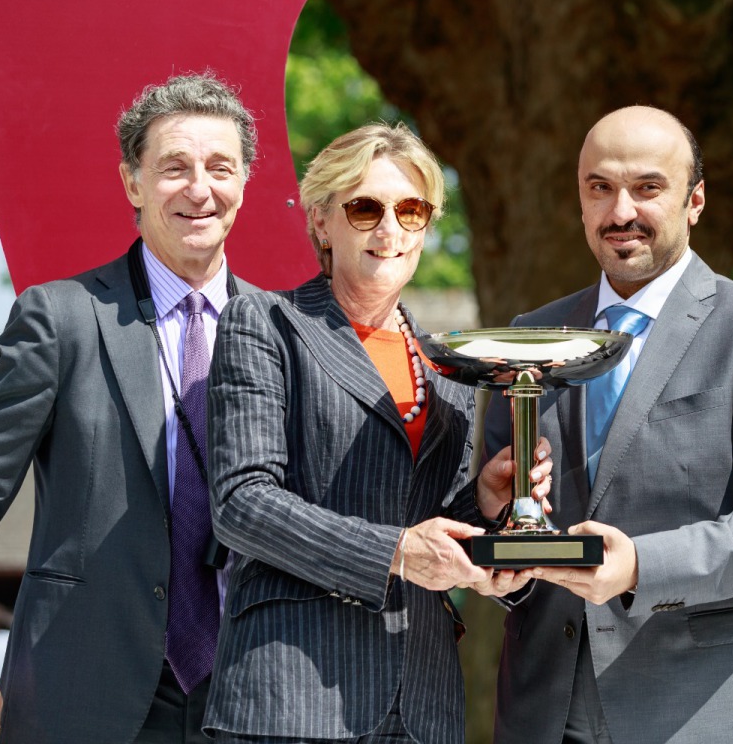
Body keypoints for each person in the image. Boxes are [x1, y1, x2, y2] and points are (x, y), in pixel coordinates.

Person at [484, 106, 733, 743]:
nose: (621, 212)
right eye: (600, 188)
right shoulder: (529, 338)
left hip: (712, 711)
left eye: (648, 188)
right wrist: (493, 509)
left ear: (694, 200)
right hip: (547, 710)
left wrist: (641, 565)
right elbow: (503, 532)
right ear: (580, 200)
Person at [202, 122, 551, 744]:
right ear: (321, 221)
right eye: (365, 208)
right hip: (292, 694)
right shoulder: (265, 323)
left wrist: (490, 503)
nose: (390, 230)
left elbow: (431, 520)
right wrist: (394, 552)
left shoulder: (446, 363)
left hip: (421, 700)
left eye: (411, 210)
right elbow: (242, 504)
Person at [0, 73, 259, 743]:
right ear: (132, 183)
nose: (200, 189)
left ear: (244, 182)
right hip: (78, 693)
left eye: (219, 167)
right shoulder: (59, 319)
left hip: (247, 695)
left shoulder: (283, 331)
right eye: (174, 167)